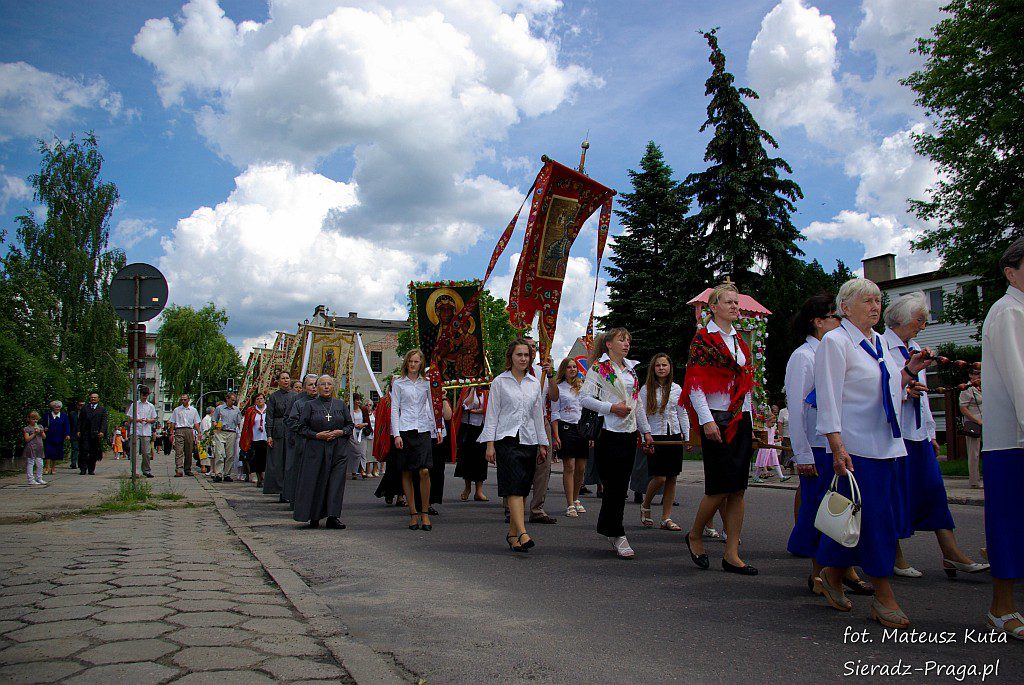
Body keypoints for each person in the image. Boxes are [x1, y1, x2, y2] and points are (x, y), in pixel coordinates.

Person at [813, 277, 934, 629]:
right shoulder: (836, 342)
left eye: (878, 299)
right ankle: (883, 595)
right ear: (845, 307)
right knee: (876, 522)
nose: (875, 306)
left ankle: (832, 574)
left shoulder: (879, 342)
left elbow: (886, 387)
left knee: (867, 518)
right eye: (867, 300)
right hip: (857, 447)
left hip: (887, 445)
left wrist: (909, 371)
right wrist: (837, 447)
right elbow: (828, 397)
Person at [882, 292, 987, 578]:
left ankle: (951, 553)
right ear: (902, 319)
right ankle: (895, 556)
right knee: (895, 495)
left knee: (933, 491)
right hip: (894, 434)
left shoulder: (916, 348)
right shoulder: (881, 346)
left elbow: (925, 396)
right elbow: (880, 388)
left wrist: (930, 433)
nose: (923, 325)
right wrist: (905, 392)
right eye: (919, 320)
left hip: (917, 433)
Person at [784, 294, 872, 597]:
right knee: (819, 510)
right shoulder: (804, 356)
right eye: (835, 316)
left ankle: (844, 568)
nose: (841, 321)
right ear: (818, 322)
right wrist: (802, 453)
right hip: (818, 446)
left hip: (843, 442)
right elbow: (797, 408)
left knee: (845, 509)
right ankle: (817, 573)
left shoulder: (838, 350)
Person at [682, 284, 757, 575]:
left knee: (738, 489)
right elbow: (695, 385)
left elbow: (745, 385)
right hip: (716, 418)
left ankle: (732, 553)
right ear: (713, 307)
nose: (735, 306)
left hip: (740, 419)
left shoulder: (739, 340)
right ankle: (695, 535)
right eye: (729, 302)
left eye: (737, 302)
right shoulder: (703, 339)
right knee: (718, 487)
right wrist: (706, 420)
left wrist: (750, 422)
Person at [980, 237, 1024, 640]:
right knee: (1010, 522)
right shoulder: (1008, 311)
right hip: (1012, 441)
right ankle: (1001, 607)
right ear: (1011, 272)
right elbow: (1018, 379)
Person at [481, 338, 549, 552]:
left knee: (522, 487)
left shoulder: (534, 384)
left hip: (528, 439)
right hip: (506, 439)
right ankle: (523, 532)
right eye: (519, 354)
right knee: (513, 487)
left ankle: (512, 534)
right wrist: (489, 444)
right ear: (510, 357)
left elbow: (537, 415)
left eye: (526, 355)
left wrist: (542, 443)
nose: (523, 358)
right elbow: (492, 415)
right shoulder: (500, 382)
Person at [580, 328, 642, 560]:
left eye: (628, 340)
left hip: (629, 432)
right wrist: (611, 408)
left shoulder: (631, 370)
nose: (626, 344)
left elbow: (637, 403)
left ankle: (610, 528)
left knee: (621, 485)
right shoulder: (599, 368)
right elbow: (584, 398)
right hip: (608, 432)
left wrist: (645, 431)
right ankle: (617, 533)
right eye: (621, 340)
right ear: (609, 344)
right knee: (613, 484)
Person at [636, 353, 690, 531]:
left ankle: (666, 518)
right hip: (655, 436)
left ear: (670, 368)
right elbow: (640, 413)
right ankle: (646, 505)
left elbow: (682, 412)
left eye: (664, 365)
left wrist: (687, 436)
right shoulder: (646, 389)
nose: (661, 368)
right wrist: (645, 434)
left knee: (672, 478)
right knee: (659, 477)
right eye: (658, 365)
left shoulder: (676, 388)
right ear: (653, 368)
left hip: (673, 435)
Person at [292, 375, 354, 529]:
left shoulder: (340, 405)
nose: (326, 387)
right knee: (317, 482)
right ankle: (314, 516)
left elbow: (350, 425)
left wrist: (341, 432)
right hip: (316, 450)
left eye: (329, 384)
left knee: (335, 483)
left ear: (333, 387)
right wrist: (317, 435)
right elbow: (301, 428)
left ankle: (333, 516)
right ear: (317, 387)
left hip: (338, 450)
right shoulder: (310, 406)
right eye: (323, 384)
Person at [391, 349, 438, 531]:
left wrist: (438, 428)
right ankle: (413, 513)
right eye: (410, 361)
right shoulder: (399, 383)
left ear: (421, 364)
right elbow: (395, 409)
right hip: (405, 429)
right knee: (407, 471)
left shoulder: (426, 383)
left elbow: (432, 406)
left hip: (423, 429)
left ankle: (425, 512)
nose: (412, 364)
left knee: (424, 470)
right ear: (406, 363)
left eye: (416, 361)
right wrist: (396, 434)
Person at [524, 337, 559, 525]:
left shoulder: (541, 372)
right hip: (520, 423)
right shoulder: (510, 374)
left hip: (541, 421)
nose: (532, 349)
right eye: (528, 346)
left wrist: (551, 375)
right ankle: (511, 508)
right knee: (519, 463)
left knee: (543, 466)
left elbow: (554, 397)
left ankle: (537, 509)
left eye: (534, 347)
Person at [551, 358, 588, 517]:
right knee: (569, 466)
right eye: (569, 367)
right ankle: (570, 504)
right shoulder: (559, 388)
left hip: (582, 429)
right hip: (566, 428)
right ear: (563, 370)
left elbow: (587, 409)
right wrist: (556, 435)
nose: (572, 369)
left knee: (581, 467)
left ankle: (576, 498)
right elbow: (555, 413)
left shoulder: (583, 387)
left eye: (574, 367)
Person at [284, 375, 319, 504]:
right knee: (298, 472)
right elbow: (290, 420)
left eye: (316, 384)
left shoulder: (323, 401)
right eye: (310, 385)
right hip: (302, 441)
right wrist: (305, 431)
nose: (314, 387)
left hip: (318, 443)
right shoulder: (298, 402)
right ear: (304, 387)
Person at [455, 387, 490, 502]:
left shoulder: (487, 390)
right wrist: (472, 389)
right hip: (468, 427)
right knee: (467, 458)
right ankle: (467, 487)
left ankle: (479, 491)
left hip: (481, 427)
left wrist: (480, 411)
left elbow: (489, 408)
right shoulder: (467, 389)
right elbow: (466, 405)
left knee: (481, 459)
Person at [264, 371, 292, 496]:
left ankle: (289, 489)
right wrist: (269, 435)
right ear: (279, 381)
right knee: (277, 461)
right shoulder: (273, 397)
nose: (286, 380)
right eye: (283, 378)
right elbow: (269, 417)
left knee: (289, 461)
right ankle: (279, 489)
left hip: (291, 429)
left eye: (287, 378)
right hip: (278, 430)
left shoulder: (295, 396)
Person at [959, 368, 983, 489]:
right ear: (970, 375)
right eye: (975, 374)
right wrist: (977, 420)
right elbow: (963, 408)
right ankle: (974, 481)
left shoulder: (983, 387)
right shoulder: (967, 389)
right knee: (974, 453)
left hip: (986, 423)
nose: (978, 376)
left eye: (979, 374)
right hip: (974, 424)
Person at [211, 393, 242, 482]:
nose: (233, 402)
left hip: (231, 432)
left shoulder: (236, 410)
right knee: (219, 453)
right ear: (227, 399)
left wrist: (240, 433)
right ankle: (218, 474)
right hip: (220, 432)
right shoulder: (219, 408)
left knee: (230, 454)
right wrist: (215, 425)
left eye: (234, 400)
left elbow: (239, 422)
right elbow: (214, 419)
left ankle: (227, 474)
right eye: (232, 400)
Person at [240, 392, 269, 488]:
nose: (260, 400)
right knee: (256, 458)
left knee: (265, 457)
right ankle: (258, 477)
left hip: (266, 437)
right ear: (255, 401)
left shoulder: (269, 409)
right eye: (258, 399)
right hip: (255, 438)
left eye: (261, 398)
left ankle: (265, 476)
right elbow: (246, 425)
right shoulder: (251, 410)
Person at [129, 387, 158, 478]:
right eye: (143, 395)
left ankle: (146, 470)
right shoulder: (134, 405)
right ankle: (135, 471)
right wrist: (137, 420)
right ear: (140, 394)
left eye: (146, 395)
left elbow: (154, 418)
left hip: (146, 431)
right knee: (135, 452)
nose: (144, 397)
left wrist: (149, 420)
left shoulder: (150, 406)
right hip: (135, 430)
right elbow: (129, 417)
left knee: (146, 452)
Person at [77, 392, 107, 476]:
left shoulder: (102, 409)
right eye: (92, 397)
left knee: (93, 452)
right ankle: (83, 469)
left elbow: (104, 421)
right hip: (85, 433)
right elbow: (80, 420)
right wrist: (78, 430)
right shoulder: (85, 408)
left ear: (98, 399)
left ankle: (91, 469)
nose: (93, 399)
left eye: (95, 397)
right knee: (83, 451)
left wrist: (102, 431)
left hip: (95, 433)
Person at [752, 412, 788, 483]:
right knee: (762, 463)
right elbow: (763, 439)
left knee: (776, 462)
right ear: (767, 421)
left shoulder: (772, 429)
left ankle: (781, 476)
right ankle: (756, 476)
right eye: (772, 422)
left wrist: (777, 440)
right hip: (765, 448)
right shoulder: (763, 429)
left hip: (772, 447)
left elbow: (771, 439)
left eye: (774, 422)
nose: (773, 424)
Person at [171, 393, 200, 477]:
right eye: (181, 399)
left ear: (188, 400)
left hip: (189, 430)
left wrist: (199, 433)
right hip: (179, 430)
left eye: (185, 399)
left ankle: (187, 469)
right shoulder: (177, 410)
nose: (183, 401)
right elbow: (173, 422)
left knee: (189, 451)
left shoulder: (193, 410)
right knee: (179, 450)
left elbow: (196, 422)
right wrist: (171, 433)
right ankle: (179, 469)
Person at [41, 401, 70, 476]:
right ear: (52, 408)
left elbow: (67, 426)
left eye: (59, 407)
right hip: (49, 436)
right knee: (48, 451)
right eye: (55, 407)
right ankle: (47, 467)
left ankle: (53, 468)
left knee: (56, 452)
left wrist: (67, 434)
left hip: (59, 436)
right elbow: (41, 424)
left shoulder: (64, 416)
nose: (57, 408)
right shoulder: (47, 415)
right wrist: (44, 428)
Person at [23, 411, 46, 485]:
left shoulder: (40, 426)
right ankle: (31, 479)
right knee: (30, 463)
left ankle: (39, 478)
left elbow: (44, 437)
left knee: (40, 464)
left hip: (39, 447)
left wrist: (41, 432)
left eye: (36, 419)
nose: (35, 421)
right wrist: (34, 433)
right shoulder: (27, 428)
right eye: (33, 419)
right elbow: (27, 439)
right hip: (31, 447)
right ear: (29, 419)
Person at [349, 393, 369, 479]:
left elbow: (367, 422)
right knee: (355, 453)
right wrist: (353, 426)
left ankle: (363, 470)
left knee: (363, 452)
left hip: (362, 433)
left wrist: (362, 425)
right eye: (357, 400)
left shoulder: (363, 409)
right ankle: (354, 471)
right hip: (352, 435)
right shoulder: (349, 409)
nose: (359, 401)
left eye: (359, 400)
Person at [199, 407, 215, 473]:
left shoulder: (210, 419)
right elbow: (205, 430)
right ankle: (203, 467)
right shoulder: (206, 419)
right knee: (204, 454)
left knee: (209, 454)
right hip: (205, 439)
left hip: (209, 438)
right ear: (212, 412)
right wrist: (210, 438)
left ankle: (209, 467)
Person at [68, 399, 82, 470]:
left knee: (82, 449)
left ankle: (80, 463)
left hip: (83, 434)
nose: (81, 406)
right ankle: (73, 463)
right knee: (75, 448)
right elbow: (69, 424)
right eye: (80, 405)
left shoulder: (87, 413)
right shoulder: (72, 414)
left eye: (82, 405)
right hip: (74, 433)